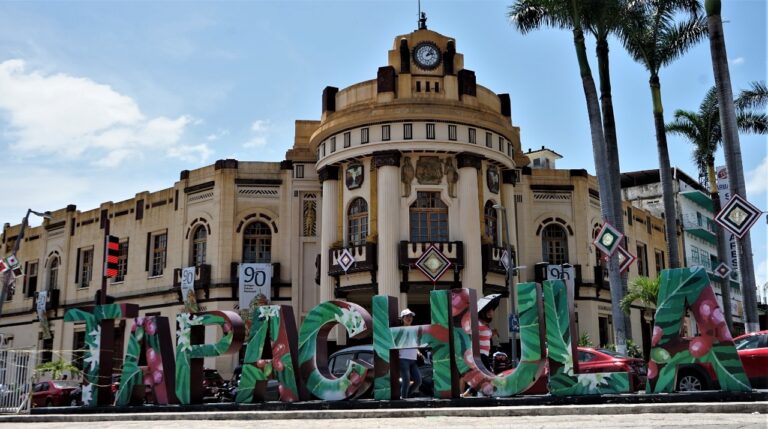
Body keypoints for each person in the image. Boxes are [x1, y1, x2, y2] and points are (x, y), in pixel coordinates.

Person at [462, 294, 500, 397]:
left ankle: (469, 393)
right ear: (485, 311)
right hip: (479, 355)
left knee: (483, 376)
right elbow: (471, 332)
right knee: (488, 375)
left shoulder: (485, 325)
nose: (493, 312)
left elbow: (485, 336)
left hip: (484, 355)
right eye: (491, 310)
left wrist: (492, 333)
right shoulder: (477, 323)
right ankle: (488, 392)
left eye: (493, 310)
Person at [398, 308, 422, 399]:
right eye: (407, 316)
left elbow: (414, 343)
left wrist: (418, 352)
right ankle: (404, 399)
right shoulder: (399, 330)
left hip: (413, 359)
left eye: (411, 316)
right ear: (402, 318)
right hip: (403, 359)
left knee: (418, 380)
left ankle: (405, 397)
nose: (409, 318)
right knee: (406, 381)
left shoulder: (414, 330)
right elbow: (396, 343)